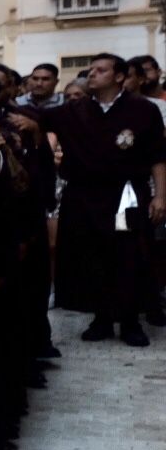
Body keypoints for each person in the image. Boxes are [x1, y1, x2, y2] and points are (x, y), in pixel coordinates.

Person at [42, 53, 166, 345]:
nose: (92, 75)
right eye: (91, 70)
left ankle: (131, 321)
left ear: (119, 76)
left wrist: (161, 195)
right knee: (91, 255)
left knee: (130, 255)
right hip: (85, 195)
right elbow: (40, 124)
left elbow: (157, 156)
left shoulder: (143, 110)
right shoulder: (74, 110)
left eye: (101, 70)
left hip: (127, 194)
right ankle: (102, 318)